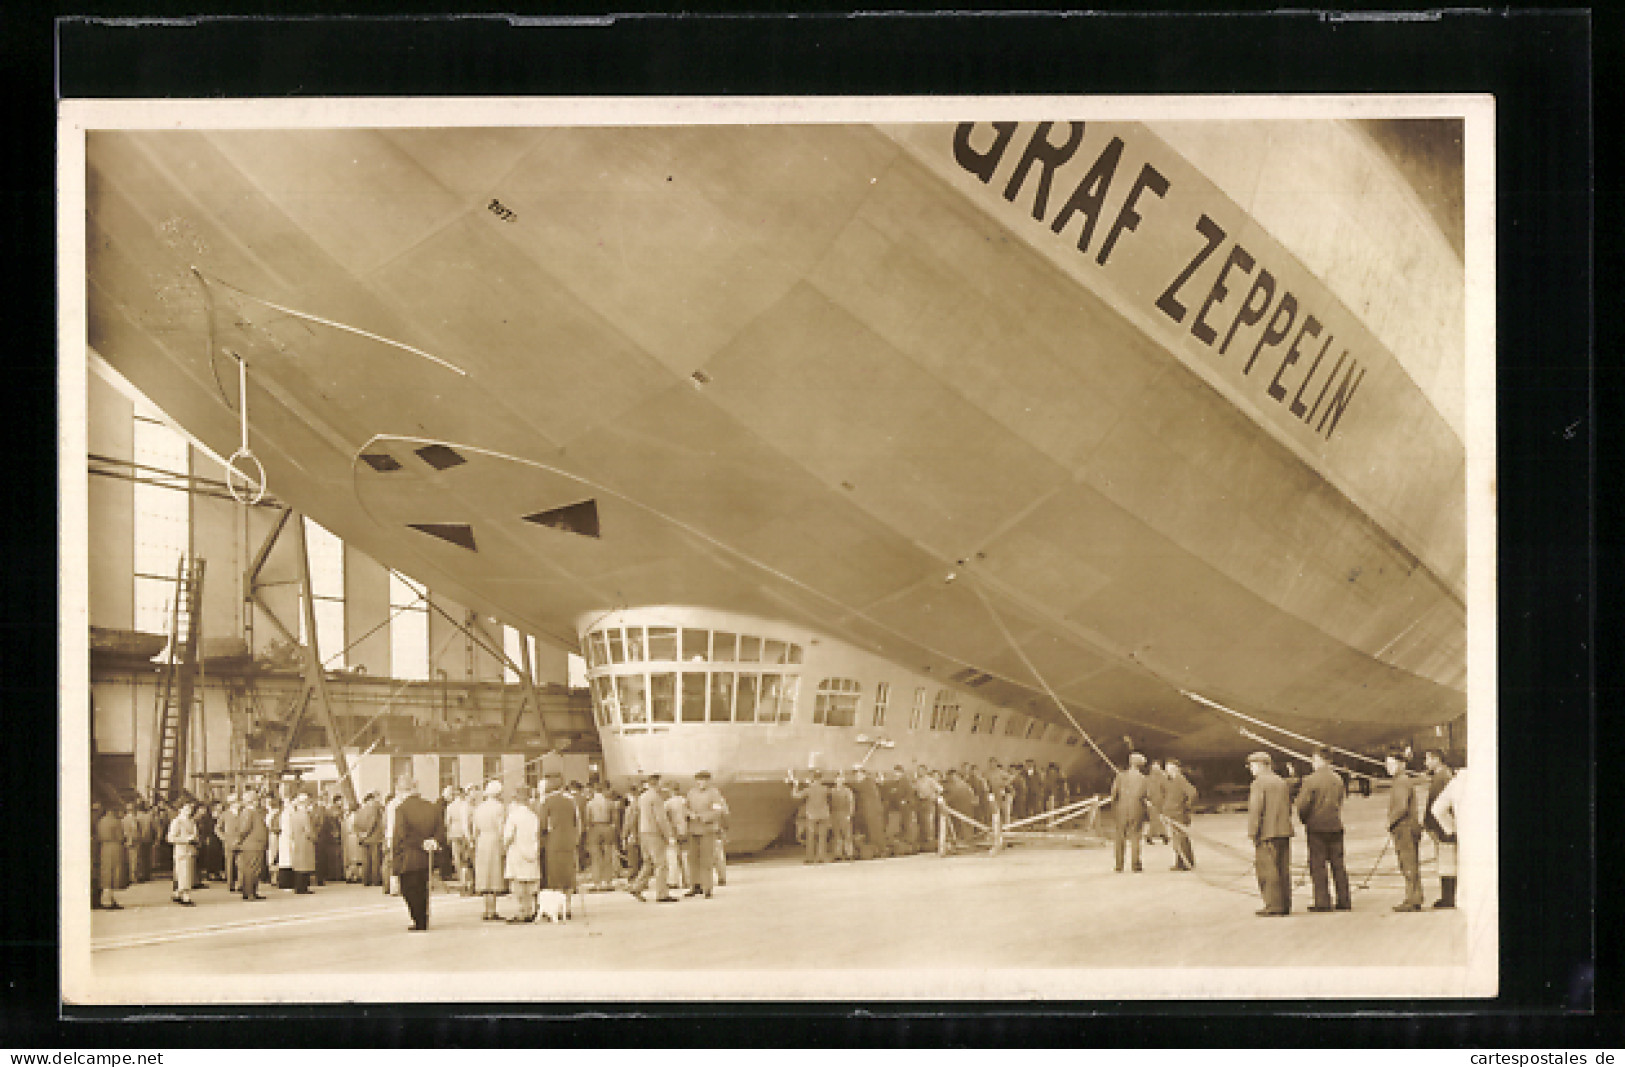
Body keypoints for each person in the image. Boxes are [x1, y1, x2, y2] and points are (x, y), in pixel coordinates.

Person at [1295, 746, 1351, 911]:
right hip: (1335, 825)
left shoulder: (1310, 780)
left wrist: (1306, 820)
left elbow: (1302, 805)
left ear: (1318, 759)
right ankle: (1344, 900)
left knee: (1318, 866)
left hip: (1317, 828)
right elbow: (1340, 801)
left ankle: (1323, 902)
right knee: (1338, 865)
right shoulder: (1338, 779)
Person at [391, 779, 447, 932]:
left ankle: (418, 919)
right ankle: (423, 918)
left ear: (402, 791)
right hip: (428, 856)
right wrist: (433, 841)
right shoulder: (432, 807)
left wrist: (395, 861)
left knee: (409, 889)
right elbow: (441, 829)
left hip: (409, 856)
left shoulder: (401, 809)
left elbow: (401, 835)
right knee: (423, 887)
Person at [1245, 751, 1294, 916]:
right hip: (1284, 831)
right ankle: (1285, 904)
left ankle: (1274, 906)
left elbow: (1256, 809)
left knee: (1268, 871)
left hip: (1267, 833)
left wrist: (1252, 832)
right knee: (1283, 870)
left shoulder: (1259, 783)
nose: (1251, 769)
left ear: (1259, 765)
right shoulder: (1281, 781)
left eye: (1251, 766)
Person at [1385, 748, 1424, 912]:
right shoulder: (1401, 780)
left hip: (1404, 828)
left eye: (1392, 764)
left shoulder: (1401, 781)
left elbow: (1401, 808)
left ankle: (1412, 899)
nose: (1388, 767)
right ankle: (1414, 897)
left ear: (1401, 764)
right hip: (1407, 827)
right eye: (1387, 764)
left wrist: (1389, 823)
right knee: (1409, 862)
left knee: (1408, 863)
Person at [628, 775, 677, 903]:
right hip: (655, 833)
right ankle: (662, 893)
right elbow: (660, 819)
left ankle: (636, 887)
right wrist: (668, 835)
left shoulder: (642, 797)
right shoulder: (656, 798)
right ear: (657, 783)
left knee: (648, 862)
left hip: (643, 832)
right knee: (661, 864)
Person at [1421, 749, 1457, 909]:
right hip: (1445, 826)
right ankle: (1448, 896)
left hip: (1442, 827)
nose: (1425, 763)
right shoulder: (1445, 776)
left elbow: (1435, 805)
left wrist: (1428, 824)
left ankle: (1448, 898)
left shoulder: (1441, 778)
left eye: (1428, 759)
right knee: (1447, 862)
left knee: (1446, 862)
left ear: (1437, 759)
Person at [539, 773, 581, 905]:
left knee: (555, 875)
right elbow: (577, 822)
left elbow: (543, 824)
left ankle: (557, 906)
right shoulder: (571, 801)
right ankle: (567, 905)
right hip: (569, 841)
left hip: (554, 842)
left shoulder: (547, 801)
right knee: (568, 874)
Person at [502, 787, 542, 923]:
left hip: (517, 852)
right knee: (530, 883)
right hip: (531, 851)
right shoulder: (533, 816)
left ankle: (521, 912)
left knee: (518, 884)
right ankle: (530, 910)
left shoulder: (513, 816)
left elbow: (507, 836)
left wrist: (505, 846)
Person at [472, 780, 509, 921]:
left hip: (482, 840)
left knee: (484, 875)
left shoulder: (479, 808)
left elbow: (475, 829)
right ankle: (492, 910)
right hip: (493, 840)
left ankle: (486, 909)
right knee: (493, 875)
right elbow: (501, 828)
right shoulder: (499, 807)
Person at [685, 770, 725, 898]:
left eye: (702, 780)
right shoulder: (691, 793)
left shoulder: (714, 794)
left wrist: (703, 817)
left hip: (707, 830)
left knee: (706, 860)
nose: (700, 783)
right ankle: (695, 885)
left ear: (708, 781)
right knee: (693, 859)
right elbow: (685, 807)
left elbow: (718, 811)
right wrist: (688, 813)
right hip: (693, 829)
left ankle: (707, 887)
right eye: (698, 780)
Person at [1109, 753, 1151, 873]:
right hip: (1136, 810)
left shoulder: (1120, 776)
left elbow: (1113, 794)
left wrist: (1117, 807)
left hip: (1121, 810)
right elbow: (1147, 795)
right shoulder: (1143, 779)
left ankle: (1119, 865)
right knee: (1136, 837)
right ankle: (1135, 865)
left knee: (1119, 838)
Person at [1430, 765, 1464, 910]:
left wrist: (1449, 828)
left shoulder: (1449, 781)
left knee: (1448, 865)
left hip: (1450, 831)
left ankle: (1449, 898)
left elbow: (1436, 808)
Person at [1163, 757, 1198, 871]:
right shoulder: (1171, 781)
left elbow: (1193, 793)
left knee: (1181, 839)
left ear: (1176, 769)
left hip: (1179, 814)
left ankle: (1185, 863)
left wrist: (1186, 806)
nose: (1167, 771)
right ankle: (1184, 862)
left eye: (1169, 768)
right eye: (1167, 768)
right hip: (1173, 814)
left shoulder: (1180, 780)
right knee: (1179, 839)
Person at [791, 771, 833, 864]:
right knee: (822, 837)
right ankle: (821, 858)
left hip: (812, 815)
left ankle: (810, 858)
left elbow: (796, 795)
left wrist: (795, 785)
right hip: (824, 815)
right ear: (821, 779)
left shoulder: (809, 789)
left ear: (813, 779)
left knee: (811, 837)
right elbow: (833, 795)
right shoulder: (825, 789)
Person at [583, 784, 618, 890]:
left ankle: (597, 882)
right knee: (608, 855)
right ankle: (608, 881)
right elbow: (615, 819)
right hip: (607, 827)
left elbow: (587, 819)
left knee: (595, 856)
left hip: (594, 828)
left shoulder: (590, 804)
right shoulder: (610, 803)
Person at [236, 791, 268, 901]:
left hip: (255, 845)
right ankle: (249, 893)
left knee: (254, 869)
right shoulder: (249, 812)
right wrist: (239, 840)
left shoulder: (253, 812)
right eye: (256, 799)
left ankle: (252, 892)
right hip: (252, 845)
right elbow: (244, 829)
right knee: (251, 869)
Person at [165, 801, 199, 906]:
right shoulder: (177, 822)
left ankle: (178, 894)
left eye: (189, 809)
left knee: (187, 874)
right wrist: (186, 839)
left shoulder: (191, 821)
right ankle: (185, 896)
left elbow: (196, 834)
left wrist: (195, 838)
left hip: (190, 851)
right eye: (186, 808)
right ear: (180, 809)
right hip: (181, 851)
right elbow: (170, 838)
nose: (188, 811)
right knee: (183, 874)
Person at [444, 785, 474, 895]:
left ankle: (462, 881)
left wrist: (448, 834)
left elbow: (447, 822)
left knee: (457, 860)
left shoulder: (450, 807)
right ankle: (468, 882)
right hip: (464, 834)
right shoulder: (466, 805)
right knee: (466, 859)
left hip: (454, 833)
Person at [286, 794, 318, 893]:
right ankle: (303, 887)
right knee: (305, 865)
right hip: (305, 842)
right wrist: (314, 838)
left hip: (297, 841)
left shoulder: (294, 815)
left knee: (299, 865)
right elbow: (308, 830)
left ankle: (298, 886)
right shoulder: (305, 815)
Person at [96, 805, 126, 910]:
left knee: (105, 872)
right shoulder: (115, 821)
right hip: (114, 847)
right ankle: (108, 900)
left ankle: (106, 899)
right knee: (113, 873)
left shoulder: (101, 821)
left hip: (104, 847)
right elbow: (121, 836)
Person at [662, 781, 691, 889]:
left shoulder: (667, 803)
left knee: (672, 857)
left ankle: (673, 881)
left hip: (673, 832)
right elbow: (689, 815)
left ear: (671, 791)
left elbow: (665, 819)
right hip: (685, 831)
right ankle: (687, 880)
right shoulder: (685, 801)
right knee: (685, 856)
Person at [354, 792, 383, 888]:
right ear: (371, 800)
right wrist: (367, 833)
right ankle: (375, 880)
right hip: (374, 838)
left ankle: (366, 880)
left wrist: (360, 835)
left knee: (365, 860)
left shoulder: (359, 811)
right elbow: (373, 823)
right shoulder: (375, 810)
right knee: (375, 860)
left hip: (363, 839)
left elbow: (355, 825)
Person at [829, 771, 856, 861]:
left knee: (847, 834)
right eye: (837, 779)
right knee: (837, 834)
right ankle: (838, 854)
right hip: (835, 814)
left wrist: (849, 814)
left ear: (843, 780)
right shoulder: (832, 791)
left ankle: (849, 854)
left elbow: (851, 803)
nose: (839, 781)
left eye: (841, 779)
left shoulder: (847, 791)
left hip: (844, 813)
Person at [1144, 760, 1169, 844]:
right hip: (1157, 801)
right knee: (1157, 818)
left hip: (1154, 801)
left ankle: (1155, 835)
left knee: (1156, 819)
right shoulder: (1162, 777)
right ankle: (1162, 835)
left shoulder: (1148, 778)